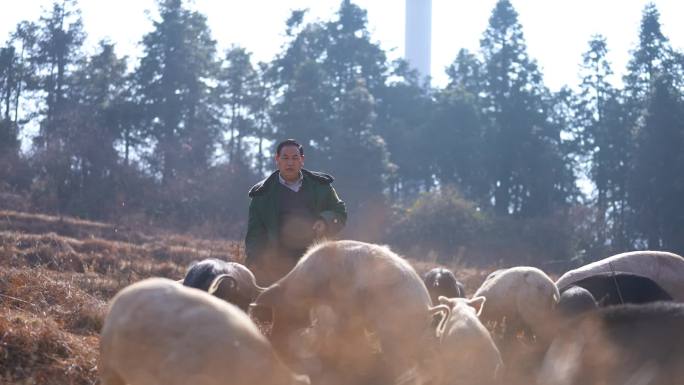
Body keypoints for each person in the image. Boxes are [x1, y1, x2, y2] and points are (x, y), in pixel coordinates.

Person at [245, 139, 347, 285]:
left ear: (302, 160)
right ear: (277, 160)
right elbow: (255, 236)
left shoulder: (321, 187)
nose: (290, 163)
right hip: (277, 264)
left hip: (315, 261)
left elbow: (339, 212)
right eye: (285, 158)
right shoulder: (262, 194)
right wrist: (255, 266)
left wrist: (325, 221)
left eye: (295, 158)